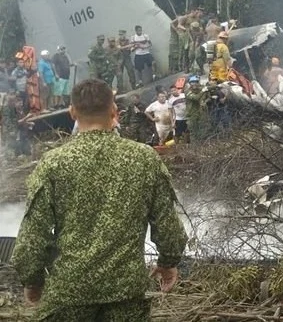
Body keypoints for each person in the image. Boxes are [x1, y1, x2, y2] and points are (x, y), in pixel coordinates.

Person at [12, 79, 187, 321]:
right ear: (114, 111)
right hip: (125, 293)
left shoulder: (54, 163)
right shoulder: (144, 159)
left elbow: (32, 235)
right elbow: (168, 226)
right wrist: (168, 262)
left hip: (69, 292)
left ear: (73, 112)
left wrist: (33, 280)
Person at [185, 75, 211, 141]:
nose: (194, 84)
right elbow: (196, 98)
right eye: (192, 82)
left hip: (201, 112)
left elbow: (209, 97)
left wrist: (205, 101)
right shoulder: (188, 91)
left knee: (203, 128)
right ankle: (194, 147)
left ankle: (202, 145)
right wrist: (203, 91)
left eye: (196, 82)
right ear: (190, 83)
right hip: (191, 114)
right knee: (193, 131)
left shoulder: (201, 89)